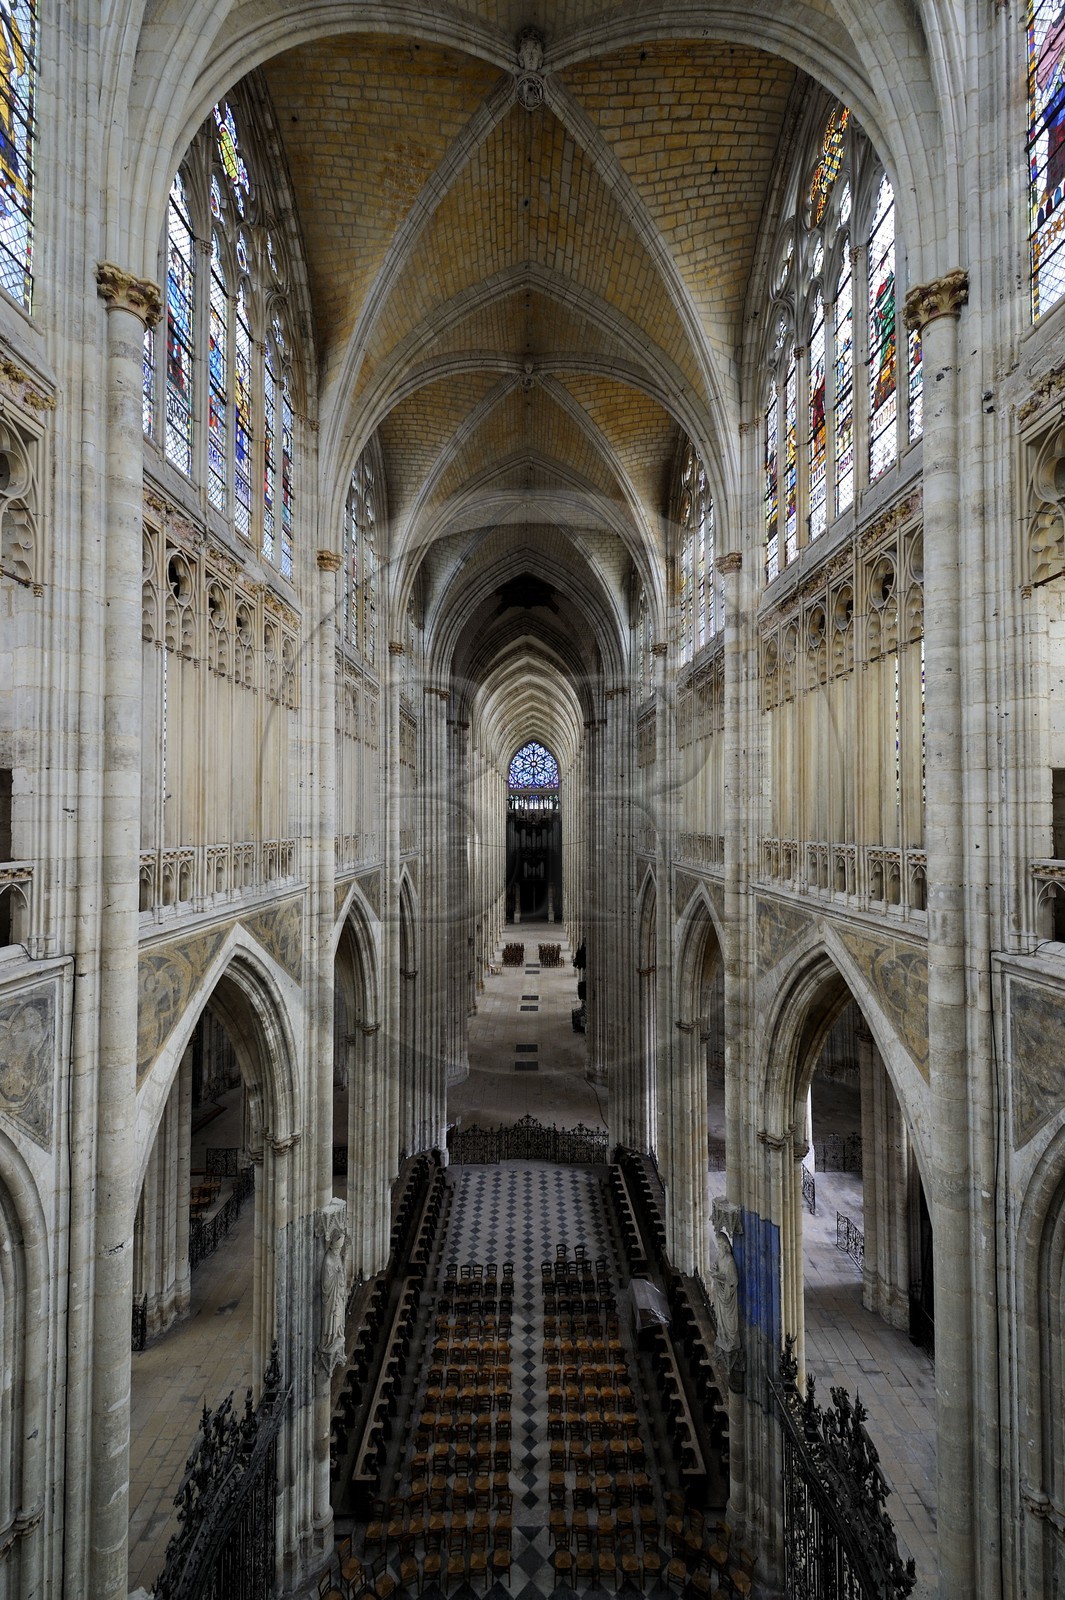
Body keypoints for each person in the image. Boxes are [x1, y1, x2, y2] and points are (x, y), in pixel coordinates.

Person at [710, 1227, 740, 1355]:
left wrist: (719, 1276)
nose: (718, 1247)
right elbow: (716, 1265)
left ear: (725, 1244)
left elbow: (733, 1281)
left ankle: (732, 1341)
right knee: (720, 1317)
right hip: (720, 1293)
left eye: (720, 1244)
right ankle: (722, 1337)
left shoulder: (729, 1261)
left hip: (728, 1296)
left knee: (729, 1320)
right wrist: (715, 1268)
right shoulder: (720, 1256)